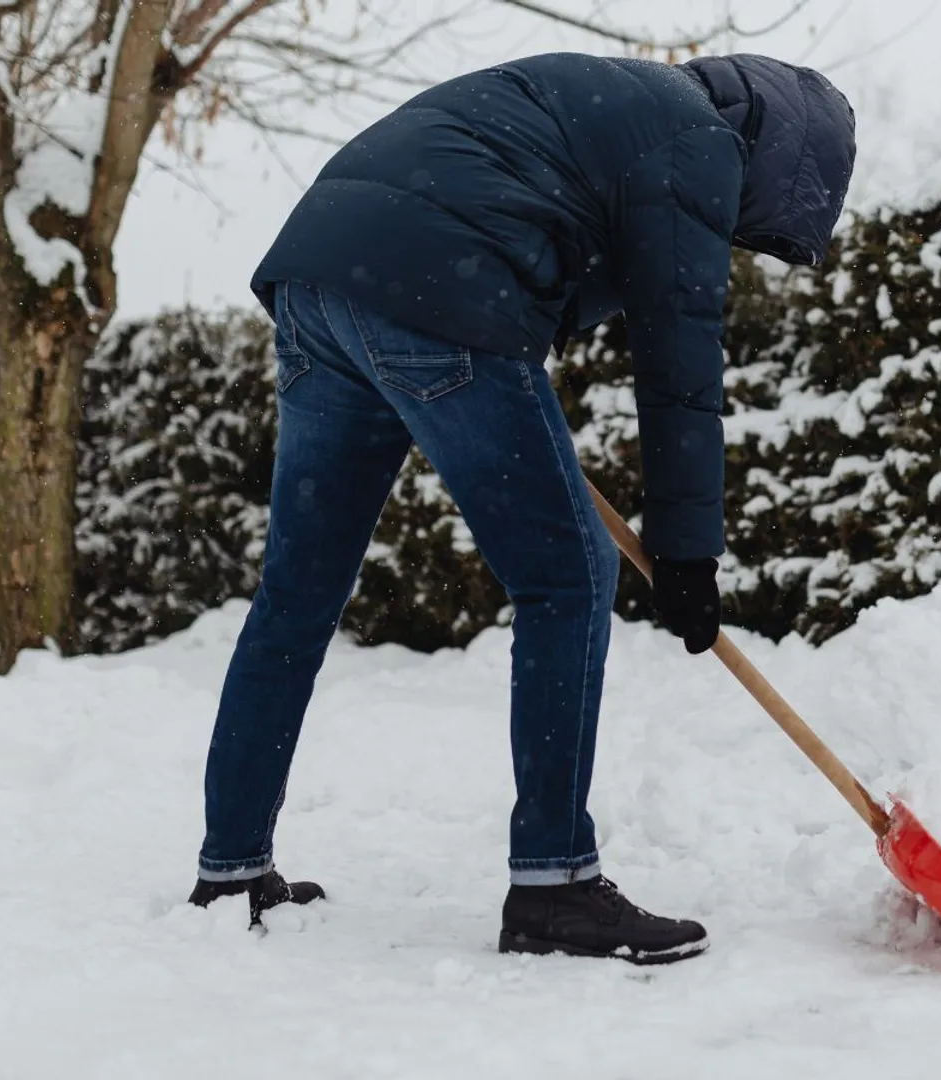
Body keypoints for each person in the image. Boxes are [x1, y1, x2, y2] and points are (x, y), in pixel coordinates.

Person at [187, 51, 857, 965]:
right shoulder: (699, 143)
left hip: (319, 283)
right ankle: (555, 886)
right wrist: (689, 555)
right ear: (781, 157)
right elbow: (681, 367)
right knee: (569, 576)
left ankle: (230, 870)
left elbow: (542, 254)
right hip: (435, 285)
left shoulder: (621, 102)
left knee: (296, 597)